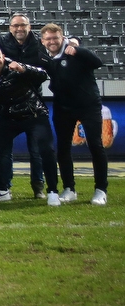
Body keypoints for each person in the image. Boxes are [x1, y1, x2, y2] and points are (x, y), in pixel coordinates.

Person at [0, 45, 60, 206]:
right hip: (9, 119)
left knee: (46, 150)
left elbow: (43, 75)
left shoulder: (15, 67)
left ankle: (52, 191)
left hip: (34, 114)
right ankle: (2, 190)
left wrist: (24, 68)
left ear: (3, 56)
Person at [38, 23, 108, 205]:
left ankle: (101, 189)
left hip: (88, 105)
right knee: (63, 148)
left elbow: (98, 62)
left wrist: (78, 49)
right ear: (42, 41)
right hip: (63, 107)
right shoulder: (43, 55)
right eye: (48, 39)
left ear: (62, 38)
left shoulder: (74, 51)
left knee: (95, 145)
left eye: (55, 38)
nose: (52, 42)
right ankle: (69, 188)